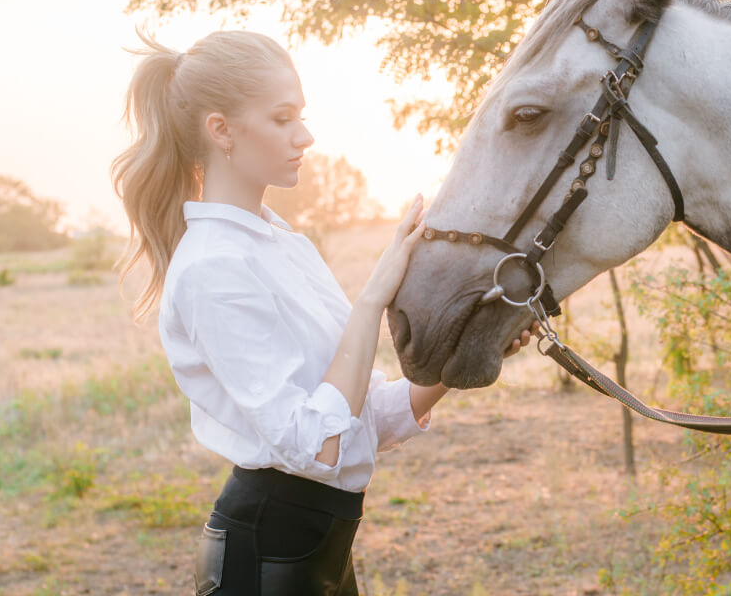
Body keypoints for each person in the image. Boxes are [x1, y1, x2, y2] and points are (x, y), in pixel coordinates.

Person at [110, 30, 537, 595]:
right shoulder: (212, 267)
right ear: (221, 131)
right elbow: (315, 444)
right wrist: (373, 296)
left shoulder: (281, 242)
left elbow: (365, 418)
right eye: (283, 118)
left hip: (318, 554)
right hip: (265, 559)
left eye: (301, 116)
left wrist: (463, 348)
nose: (305, 136)